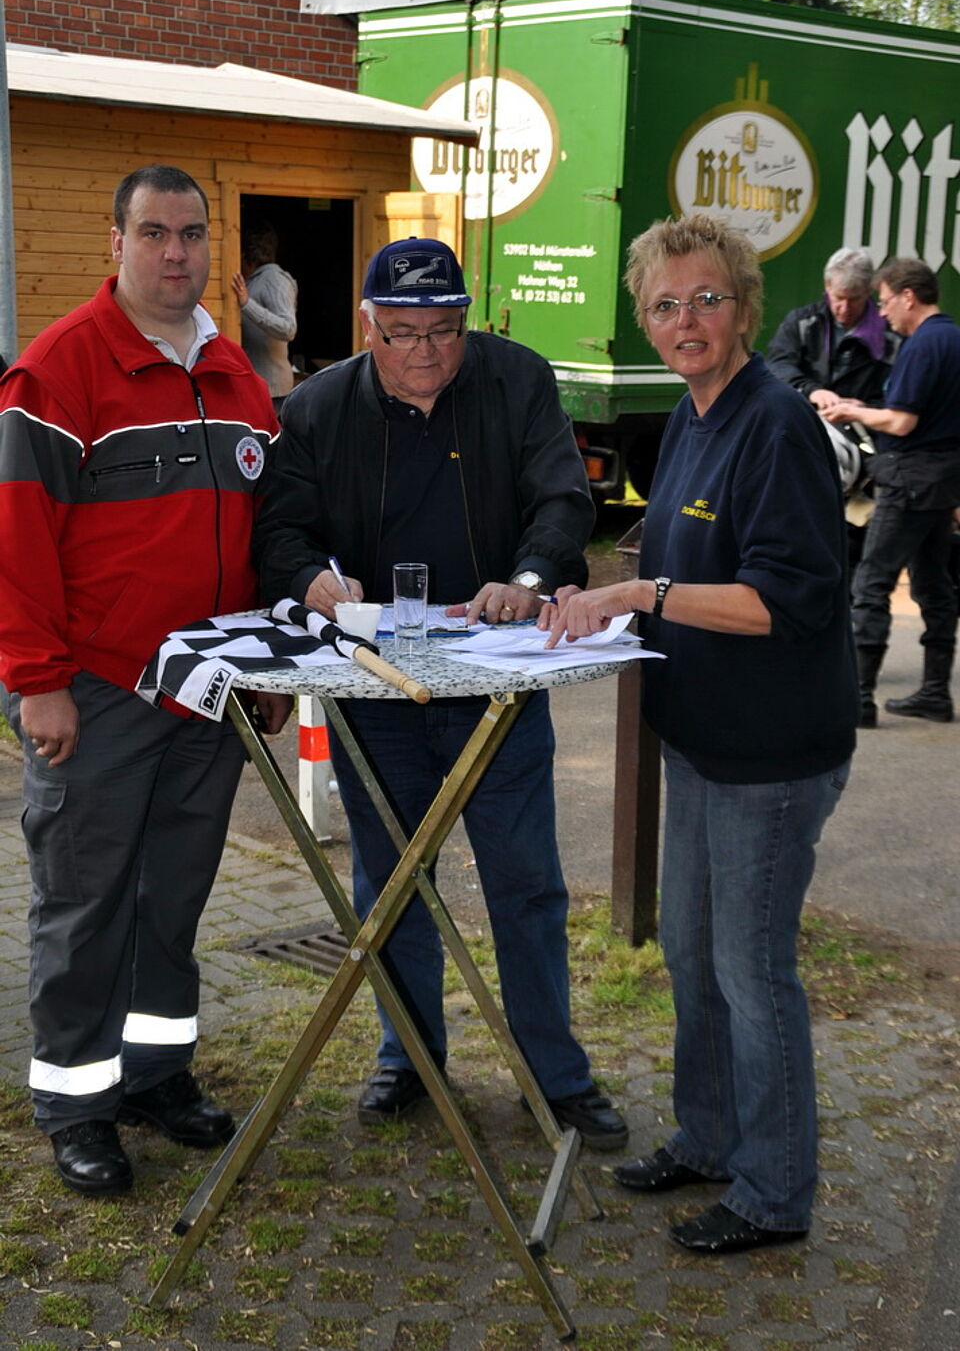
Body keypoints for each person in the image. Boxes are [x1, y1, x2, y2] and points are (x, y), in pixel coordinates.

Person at [252, 236, 628, 1151]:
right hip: (376, 692)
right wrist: (313, 582)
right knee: (391, 885)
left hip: (496, 685)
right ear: (367, 327)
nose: (424, 351)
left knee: (526, 883)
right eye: (402, 333)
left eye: (444, 330)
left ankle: (554, 1075)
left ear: (468, 321)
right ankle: (408, 1058)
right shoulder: (318, 407)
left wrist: (531, 578)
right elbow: (280, 531)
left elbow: (563, 503)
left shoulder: (516, 380)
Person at [546, 213, 857, 1253]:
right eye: (666, 304)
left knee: (751, 971)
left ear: (745, 309)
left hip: (771, 756)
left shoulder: (776, 425)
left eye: (707, 300)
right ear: (645, 320)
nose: (688, 321)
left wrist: (643, 593)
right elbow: (669, 555)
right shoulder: (691, 415)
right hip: (700, 741)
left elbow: (786, 600)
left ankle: (774, 1192)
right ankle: (711, 1137)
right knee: (689, 950)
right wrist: (578, 603)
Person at [0, 164, 290, 1197]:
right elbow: (17, 542)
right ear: (115, 242)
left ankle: (155, 1074)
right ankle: (76, 1104)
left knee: (173, 895)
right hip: (98, 691)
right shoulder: (58, 371)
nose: (176, 252)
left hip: (209, 691)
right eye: (155, 232)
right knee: (85, 904)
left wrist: (267, 664)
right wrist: (37, 682)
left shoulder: (236, 373)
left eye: (192, 233)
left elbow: (266, 538)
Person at [821, 258, 960, 726]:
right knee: (934, 586)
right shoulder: (954, 338)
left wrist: (849, 412)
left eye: (884, 302)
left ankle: (858, 699)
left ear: (908, 296)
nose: (881, 313)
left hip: (908, 481)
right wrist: (869, 406)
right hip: (944, 481)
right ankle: (935, 693)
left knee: (871, 584)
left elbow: (902, 422)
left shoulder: (922, 344)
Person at [766, 246, 899, 566]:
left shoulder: (891, 336)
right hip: (804, 435)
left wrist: (863, 407)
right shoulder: (802, 323)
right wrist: (812, 391)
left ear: (869, 292)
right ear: (827, 287)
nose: (843, 308)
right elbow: (776, 367)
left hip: (865, 451)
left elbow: (901, 396)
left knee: (851, 549)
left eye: (854, 299)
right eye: (838, 297)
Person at [231, 222, 298, 405]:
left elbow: (288, 328)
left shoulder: (274, 279)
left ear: (244, 255)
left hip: (273, 391)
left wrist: (247, 305)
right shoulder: (254, 281)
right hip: (256, 386)